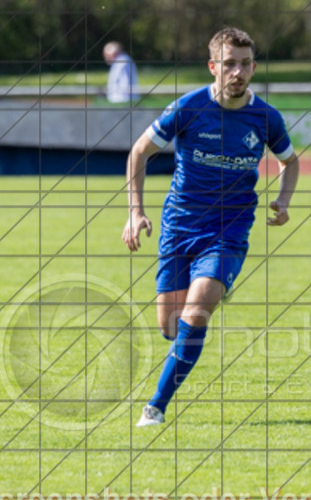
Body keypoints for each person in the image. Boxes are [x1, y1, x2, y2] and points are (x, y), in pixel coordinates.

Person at [122, 27, 300, 427]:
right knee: (171, 325)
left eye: (244, 64)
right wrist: (135, 211)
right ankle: (182, 344)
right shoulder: (187, 108)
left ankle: (155, 406)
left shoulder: (266, 118)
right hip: (179, 226)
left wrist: (284, 201)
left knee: (198, 310)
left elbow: (290, 161)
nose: (237, 72)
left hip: (230, 229)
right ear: (213, 67)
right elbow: (139, 152)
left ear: (253, 68)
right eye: (229, 64)